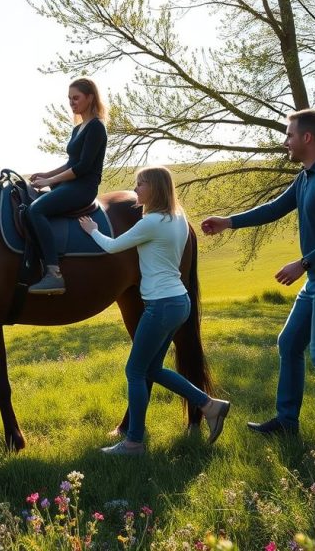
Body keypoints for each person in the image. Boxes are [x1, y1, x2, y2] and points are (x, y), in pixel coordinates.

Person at [200, 109, 315, 451]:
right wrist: (229, 222)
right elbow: (275, 207)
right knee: (289, 343)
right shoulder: (308, 176)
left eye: (289, 134)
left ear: (307, 137)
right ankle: (287, 421)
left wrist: (303, 263)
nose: (285, 141)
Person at [80, 166, 230, 455]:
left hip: (160, 306)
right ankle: (210, 405)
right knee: (153, 369)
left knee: (135, 371)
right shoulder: (178, 217)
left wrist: (93, 230)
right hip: (178, 303)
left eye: (141, 184)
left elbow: (112, 247)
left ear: (157, 189)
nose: (136, 189)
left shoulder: (151, 223)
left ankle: (134, 441)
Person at [27, 77, 108, 295]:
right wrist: (47, 174)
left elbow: (82, 167)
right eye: (69, 98)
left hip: (84, 188)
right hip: (70, 183)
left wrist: (49, 181)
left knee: (36, 210)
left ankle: (54, 274)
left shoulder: (96, 127)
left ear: (90, 97)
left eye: (76, 97)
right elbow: (71, 162)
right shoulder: (78, 129)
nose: (72, 102)